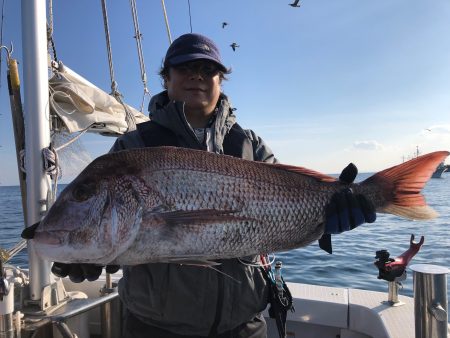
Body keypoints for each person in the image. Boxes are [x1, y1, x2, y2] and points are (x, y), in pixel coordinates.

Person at [51, 33, 375, 338]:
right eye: (185, 67)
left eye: (208, 69)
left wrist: (328, 214)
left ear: (221, 80)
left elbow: (286, 212)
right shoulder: (133, 148)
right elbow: (126, 226)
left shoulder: (249, 145)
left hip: (244, 323)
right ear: (166, 77)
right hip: (155, 326)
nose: (197, 76)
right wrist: (88, 246)